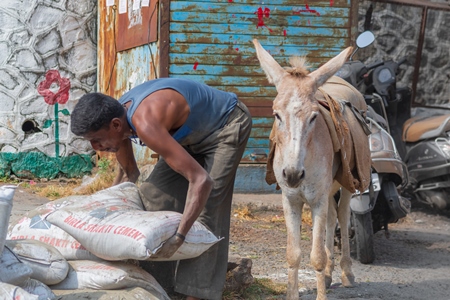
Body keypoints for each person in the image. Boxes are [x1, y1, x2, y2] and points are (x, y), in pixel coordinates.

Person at [70, 77, 252, 300]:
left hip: (226, 125)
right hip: (188, 137)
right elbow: (130, 174)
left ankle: (197, 293)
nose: (96, 148)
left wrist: (180, 235)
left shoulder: (145, 123)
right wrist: (102, 215)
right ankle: (160, 287)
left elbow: (201, 180)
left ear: (115, 125)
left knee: (207, 210)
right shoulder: (118, 119)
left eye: (97, 140)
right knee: (153, 196)